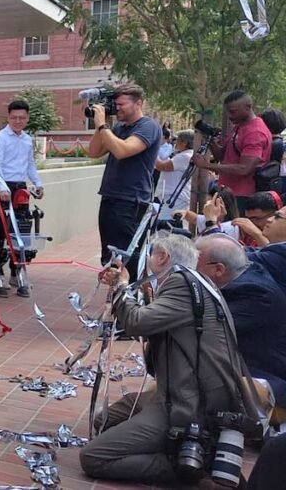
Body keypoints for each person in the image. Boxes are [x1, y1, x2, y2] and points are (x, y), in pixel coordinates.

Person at [80, 233, 252, 485]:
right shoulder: (196, 284)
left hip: (189, 403)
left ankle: (192, 469)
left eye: (151, 253)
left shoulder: (183, 282)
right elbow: (155, 339)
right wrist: (142, 295)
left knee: (93, 457)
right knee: (104, 422)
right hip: (176, 391)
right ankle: (176, 450)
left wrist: (120, 287)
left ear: (163, 257)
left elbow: (137, 323)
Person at [195, 234, 286, 408]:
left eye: (193, 265)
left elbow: (203, 327)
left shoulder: (256, 293)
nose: (188, 272)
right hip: (233, 370)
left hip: (268, 378)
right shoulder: (241, 275)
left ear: (219, 270)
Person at [88, 83, 164, 280]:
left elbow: (122, 151)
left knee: (127, 256)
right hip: (111, 197)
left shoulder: (148, 126)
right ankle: (116, 298)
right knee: (111, 256)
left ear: (138, 103)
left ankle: (131, 299)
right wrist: (100, 126)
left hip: (132, 200)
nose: (117, 108)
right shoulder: (119, 127)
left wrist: (103, 125)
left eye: (121, 104)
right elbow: (94, 152)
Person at [0, 99, 44, 297]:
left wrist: (38, 184)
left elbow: (30, 165)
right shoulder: (0, 138)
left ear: (27, 118)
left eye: (21, 118)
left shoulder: (28, 140)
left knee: (20, 231)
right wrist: (2, 187)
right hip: (3, 187)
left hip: (21, 188)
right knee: (1, 231)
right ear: (8, 117)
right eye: (14, 118)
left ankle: (16, 271)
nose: (17, 121)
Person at [193, 90, 272, 211]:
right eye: (228, 112)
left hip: (242, 196)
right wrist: (211, 140)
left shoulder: (255, 132)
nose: (230, 116)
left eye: (233, 111)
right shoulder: (239, 127)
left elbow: (244, 168)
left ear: (248, 107)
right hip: (227, 192)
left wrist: (206, 165)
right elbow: (222, 157)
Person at [154, 130, 194, 225]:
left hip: (175, 197)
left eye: (178, 140)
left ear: (184, 142)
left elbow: (160, 166)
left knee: (165, 225)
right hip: (173, 196)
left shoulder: (185, 156)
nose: (175, 142)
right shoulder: (186, 155)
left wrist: (153, 150)